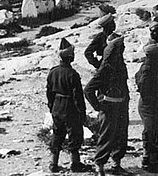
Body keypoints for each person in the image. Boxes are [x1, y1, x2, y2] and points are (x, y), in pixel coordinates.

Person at [84, 33, 131, 176]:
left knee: (121, 135)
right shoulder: (106, 68)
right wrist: (98, 107)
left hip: (121, 105)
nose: (123, 48)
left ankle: (117, 164)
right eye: (120, 47)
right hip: (109, 107)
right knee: (106, 137)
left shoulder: (120, 66)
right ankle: (100, 165)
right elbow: (88, 90)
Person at [46, 38, 90, 173]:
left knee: (57, 133)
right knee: (75, 134)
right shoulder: (73, 74)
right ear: (70, 57)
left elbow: (49, 92)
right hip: (70, 107)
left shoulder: (53, 72)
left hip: (57, 106)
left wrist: (52, 107)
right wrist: (82, 113)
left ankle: (53, 163)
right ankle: (75, 163)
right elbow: (78, 97)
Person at [136, 43, 158, 173]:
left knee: (152, 131)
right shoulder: (148, 69)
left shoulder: (148, 66)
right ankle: (152, 163)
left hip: (149, 104)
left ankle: (147, 158)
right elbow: (143, 86)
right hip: (149, 105)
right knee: (154, 132)